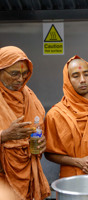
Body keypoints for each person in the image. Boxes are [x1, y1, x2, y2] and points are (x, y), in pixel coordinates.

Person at [0, 46, 50, 199]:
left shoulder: (30, 97)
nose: (20, 79)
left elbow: (40, 129)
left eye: (25, 73)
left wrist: (42, 142)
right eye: (14, 73)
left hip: (27, 178)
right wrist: (4, 136)